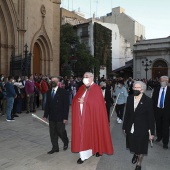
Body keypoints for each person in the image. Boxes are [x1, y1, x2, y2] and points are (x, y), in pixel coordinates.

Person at [71, 72, 113, 164]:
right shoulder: (81, 88)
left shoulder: (96, 88)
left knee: (94, 132)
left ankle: (97, 149)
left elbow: (98, 103)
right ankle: (83, 156)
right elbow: (75, 100)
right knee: (82, 136)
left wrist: (85, 101)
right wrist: (78, 102)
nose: (84, 78)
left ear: (92, 78)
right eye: (84, 76)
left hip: (92, 118)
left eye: (86, 76)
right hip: (81, 117)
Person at [123, 81, 155, 170]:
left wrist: (152, 132)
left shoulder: (148, 101)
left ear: (142, 90)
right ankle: (136, 154)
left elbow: (151, 118)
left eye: (137, 88)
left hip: (143, 128)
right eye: (134, 87)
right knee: (133, 145)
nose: (135, 89)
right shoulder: (129, 98)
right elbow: (127, 114)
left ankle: (139, 164)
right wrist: (124, 127)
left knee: (141, 147)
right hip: (131, 127)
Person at [43, 76, 69, 154]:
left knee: (60, 131)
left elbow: (66, 106)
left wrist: (65, 117)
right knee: (53, 132)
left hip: (60, 116)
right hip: (52, 116)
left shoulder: (63, 92)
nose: (53, 82)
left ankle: (66, 141)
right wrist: (45, 116)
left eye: (54, 81)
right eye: (51, 81)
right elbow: (47, 105)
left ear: (58, 83)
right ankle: (55, 147)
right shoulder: (48, 91)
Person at [152, 75, 170, 149]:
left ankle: (165, 143)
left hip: (167, 112)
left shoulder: (169, 90)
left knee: (165, 127)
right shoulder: (156, 89)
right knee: (158, 125)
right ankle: (159, 136)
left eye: (163, 81)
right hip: (157, 110)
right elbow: (153, 100)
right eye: (161, 81)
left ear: (167, 81)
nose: (162, 82)